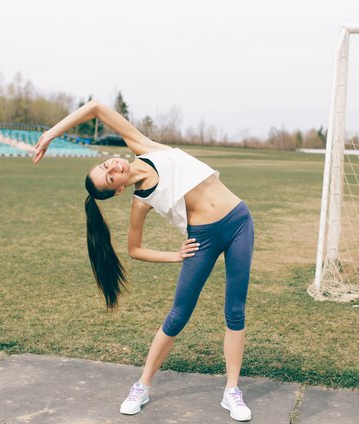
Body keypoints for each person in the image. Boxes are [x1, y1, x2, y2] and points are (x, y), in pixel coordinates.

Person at [33, 99, 255, 422]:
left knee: (235, 310)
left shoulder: (145, 147)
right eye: (109, 178)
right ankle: (142, 385)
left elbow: (95, 107)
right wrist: (174, 255)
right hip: (203, 239)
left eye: (105, 166)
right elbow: (134, 249)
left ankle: (231, 391)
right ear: (119, 190)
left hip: (239, 221)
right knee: (178, 315)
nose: (112, 169)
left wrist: (51, 134)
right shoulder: (141, 200)